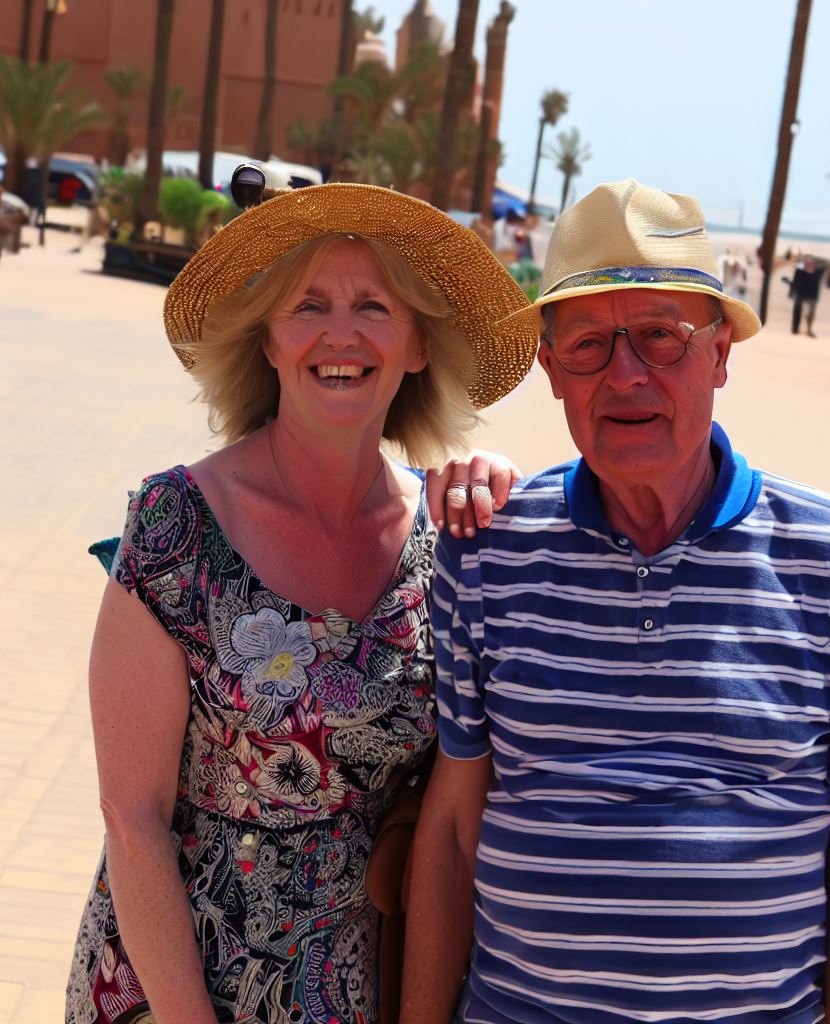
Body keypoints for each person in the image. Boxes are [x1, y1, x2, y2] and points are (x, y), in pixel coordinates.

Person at [402, 179, 830, 1024]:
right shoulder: (489, 549)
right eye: (587, 344)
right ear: (550, 370)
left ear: (721, 353)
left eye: (660, 336)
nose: (624, 374)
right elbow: (448, 830)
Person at [65, 182, 539, 1024]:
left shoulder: (451, 542)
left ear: (419, 344)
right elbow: (130, 821)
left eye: (374, 307)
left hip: (355, 989)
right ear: (270, 341)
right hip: (170, 989)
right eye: (308, 305)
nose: (341, 333)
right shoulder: (175, 525)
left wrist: (492, 487)